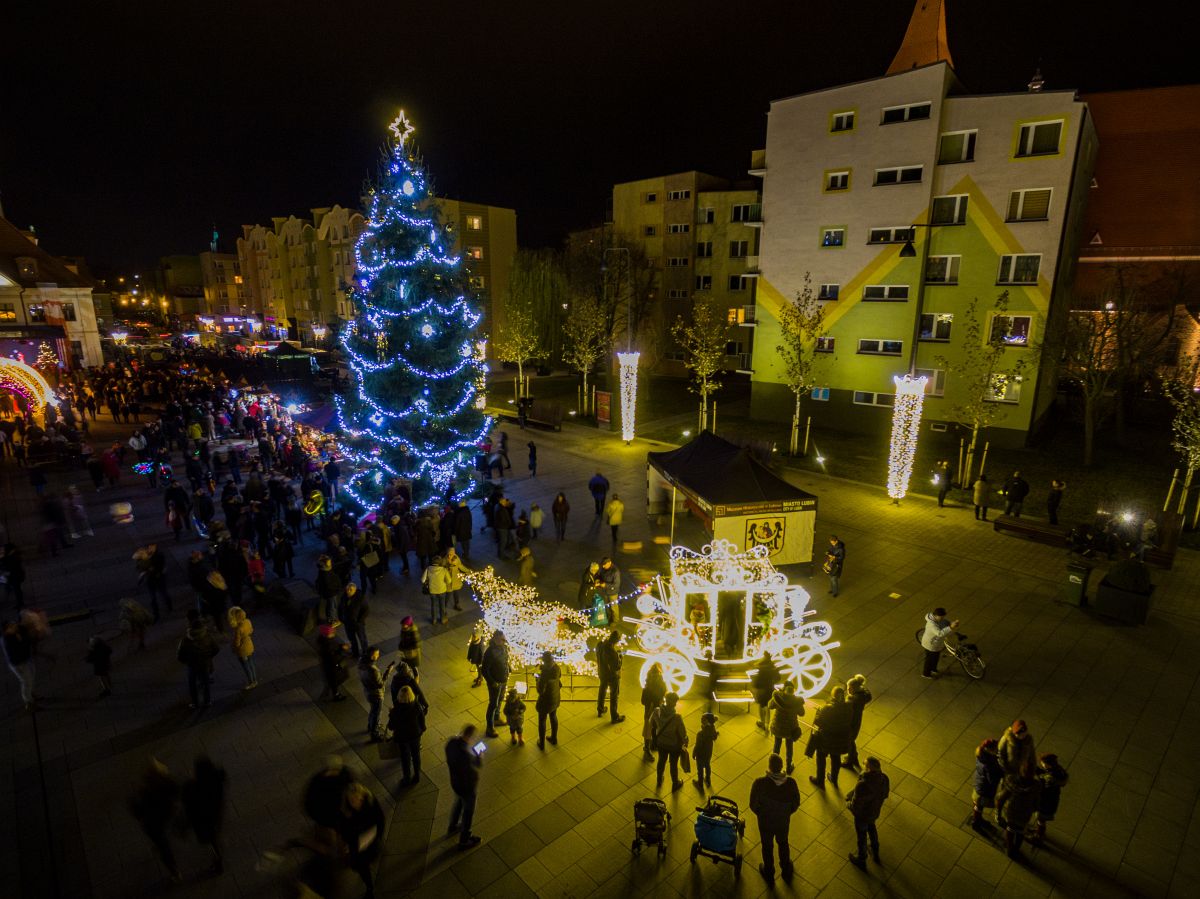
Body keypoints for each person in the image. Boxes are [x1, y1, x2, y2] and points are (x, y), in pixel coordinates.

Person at [748, 753, 800, 884]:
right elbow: (795, 803)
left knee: (767, 846)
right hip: (783, 822)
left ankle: (769, 872)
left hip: (765, 822)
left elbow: (753, 804)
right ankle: (786, 869)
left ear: (769, 767)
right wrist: (786, 813)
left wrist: (761, 813)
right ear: (782, 766)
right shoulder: (791, 783)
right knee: (783, 843)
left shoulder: (759, 783)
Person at [129, 759, 181, 883]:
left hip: (154, 824)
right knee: (163, 841)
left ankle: (175, 872)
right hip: (167, 815)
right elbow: (177, 792)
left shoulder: (147, 793)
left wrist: (133, 804)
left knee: (164, 847)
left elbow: (139, 813)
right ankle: (174, 870)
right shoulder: (170, 782)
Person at [338, 782, 386, 897]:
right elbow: (343, 829)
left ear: (362, 795)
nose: (355, 803)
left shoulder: (370, 802)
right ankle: (368, 884)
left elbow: (380, 820)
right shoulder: (346, 811)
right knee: (361, 867)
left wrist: (377, 836)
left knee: (366, 862)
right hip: (355, 846)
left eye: (358, 799)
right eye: (352, 800)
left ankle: (369, 885)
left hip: (370, 842)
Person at [182, 755, 227, 875]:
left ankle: (218, 864)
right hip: (215, 816)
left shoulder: (193, 788)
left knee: (211, 840)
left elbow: (190, 806)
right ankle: (217, 854)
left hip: (203, 821)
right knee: (214, 837)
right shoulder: (216, 779)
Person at [845, 757, 890, 869]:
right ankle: (875, 850)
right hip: (874, 812)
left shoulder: (863, 784)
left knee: (861, 835)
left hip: (862, 815)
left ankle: (861, 858)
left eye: (864, 765)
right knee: (872, 827)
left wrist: (848, 804)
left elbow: (856, 806)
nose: (863, 767)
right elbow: (885, 795)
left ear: (868, 769)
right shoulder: (884, 778)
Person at [445, 724, 484, 849]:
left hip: (455, 783)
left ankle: (453, 825)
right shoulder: (466, 755)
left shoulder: (451, 743)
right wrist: (479, 757)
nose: (474, 740)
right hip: (467, 787)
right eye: (474, 737)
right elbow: (474, 768)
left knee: (459, 802)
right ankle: (464, 838)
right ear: (469, 736)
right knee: (468, 812)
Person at [808, 685, 852, 789]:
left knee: (821, 758)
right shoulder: (848, 707)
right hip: (840, 739)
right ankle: (834, 778)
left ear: (833, 695)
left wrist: (819, 712)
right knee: (836, 758)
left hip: (826, 739)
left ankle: (820, 779)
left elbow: (818, 722)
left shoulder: (828, 708)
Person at [996, 719, 1038, 826]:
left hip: (1022, 773)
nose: (1022, 736)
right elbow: (1000, 755)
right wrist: (1006, 770)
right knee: (1004, 793)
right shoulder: (1006, 739)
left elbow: (1032, 754)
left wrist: (1031, 768)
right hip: (1009, 772)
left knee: (1016, 795)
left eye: (1024, 733)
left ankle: (1012, 811)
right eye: (1019, 734)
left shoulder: (1029, 740)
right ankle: (999, 813)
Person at [177, 609, 219, 709]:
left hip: (192, 664)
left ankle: (195, 703)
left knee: (192, 683)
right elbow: (216, 649)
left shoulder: (186, 639)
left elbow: (180, 654)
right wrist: (208, 656)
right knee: (205, 682)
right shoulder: (207, 636)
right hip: (205, 663)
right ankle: (207, 701)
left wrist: (186, 661)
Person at [389, 685, 427, 787]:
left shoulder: (395, 710)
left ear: (399, 696)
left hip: (402, 738)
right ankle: (417, 776)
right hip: (415, 735)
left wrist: (390, 715)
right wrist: (422, 729)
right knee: (416, 755)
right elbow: (422, 721)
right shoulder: (417, 706)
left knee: (405, 757)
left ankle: (406, 778)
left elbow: (391, 726)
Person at [650, 691, 688, 790]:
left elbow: (651, 724)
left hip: (661, 743)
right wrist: (685, 742)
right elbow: (683, 733)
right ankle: (675, 783)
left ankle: (659, 779)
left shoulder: (656, 711)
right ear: (675, 703)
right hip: (674, 745)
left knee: (661, 761)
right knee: (673, 764)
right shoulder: (677, 718)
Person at [768, 680, 805, 773]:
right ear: (793, 690)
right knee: (789, 747)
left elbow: (770, 706)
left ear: (784, 688)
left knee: (777, 745)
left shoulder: (778, 697)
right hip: (791, 729)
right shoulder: (797, 701)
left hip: (778, 727)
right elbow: (802, 713)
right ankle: (789, 767)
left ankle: (774, 766)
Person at [358, 647, 394, 742]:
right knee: (376, 713)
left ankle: (371, 725)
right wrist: (388, 672)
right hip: (376, 694)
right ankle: (374, 733)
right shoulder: (373, 670)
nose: (378, 655)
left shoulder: (362, 662)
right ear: (372, 656)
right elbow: (380, 684)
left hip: (367, 691)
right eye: (377, 654)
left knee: (373, 710)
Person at [1033, 753, 1069, 844]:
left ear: (1047, 764)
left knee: (1041, 820)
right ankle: (1039, 832)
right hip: (1052, 802)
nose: (1041, 764)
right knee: (1041, 820)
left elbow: (1044, 790)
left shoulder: (1050, 779)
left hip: (1046, 804)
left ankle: (1039, 836)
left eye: (1042, 763)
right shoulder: (1057, 770)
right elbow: (1044, 773)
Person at [481, 630, 510, 737]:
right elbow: (484, 670)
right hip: (495, 683)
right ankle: (489, 728)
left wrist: (508, 669)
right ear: (496, 639)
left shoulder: (503, 647)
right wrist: (492, 683)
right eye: (502, 639)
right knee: (493, 704)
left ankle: (497, 718)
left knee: (501, 699)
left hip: (504, 679)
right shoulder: (490, 652)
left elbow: (506, 659)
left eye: (504, 639)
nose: (504, 641)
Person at [3, 618, 36, 708]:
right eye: (12, 626)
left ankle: (30, 694)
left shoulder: (17, 631)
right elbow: (21, 648)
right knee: (26, 682)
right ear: (7, 630)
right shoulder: (8, 640)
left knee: (32, 675)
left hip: (26, 659)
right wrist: (22, 639)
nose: (15, 626)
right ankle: (29, 702)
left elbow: (25, 631)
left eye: (13, 624)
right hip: (19, 663)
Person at [971, 738, 1003, 830]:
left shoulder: (981, 755)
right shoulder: (988, 764)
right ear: (990, 750)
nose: (997, 750)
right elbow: (992, 779)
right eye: (995, 749)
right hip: (984, 788)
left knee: (977, 803)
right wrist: (1001, 774)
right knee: (979, 804)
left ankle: (977, 819)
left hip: (979, 783)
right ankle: (976, 822)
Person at [919, 607, 958, 678]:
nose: (943, 618)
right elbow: (940, 633)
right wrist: (950, 628)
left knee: (935, 657)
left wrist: (950, 623)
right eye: (941, 617)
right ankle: (926, 674)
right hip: (930, 644)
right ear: (936, 616)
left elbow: (945, 622)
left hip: (936, 644)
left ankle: (933, 669)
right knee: (929, 660)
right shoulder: (931, 625)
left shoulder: (937, 619)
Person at [844, 674, 872, 770]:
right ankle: (853, 758)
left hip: (850, 723)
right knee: (851, 740)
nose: (848, 690)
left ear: (853, 688)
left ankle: (850, 762)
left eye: (849, 688)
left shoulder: (852, 700)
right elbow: (867, 693)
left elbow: (846, 711)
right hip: (857, 721)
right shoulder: (863, 695)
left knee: (849, 741)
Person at [316, 622, 350, 701]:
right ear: (327, 634)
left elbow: (335, 648)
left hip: (331, 666)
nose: (334, 632)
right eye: (332, 632)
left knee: (340, 678)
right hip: (333, 667)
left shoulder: (326, 640)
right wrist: (342, 649)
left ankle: (330, 688)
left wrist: (341, 647)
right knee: (337, 679)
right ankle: (335, 694)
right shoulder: (327, 645)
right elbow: (332, 656)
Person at [535, 651, 561, 750]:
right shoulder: (556, 668)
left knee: (542, 720)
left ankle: (541, 743)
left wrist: (537, 680)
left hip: (545, 701)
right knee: (553, 716)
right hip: (555, 696)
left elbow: (540, 690)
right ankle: (554, 738)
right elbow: (557, 677)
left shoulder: (544, 675)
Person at [641, 661, 667, 760]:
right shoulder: (662, 684)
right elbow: (664, 695)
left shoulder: (647, 687)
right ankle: (652, 745)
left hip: (649, 712)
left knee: (648, 730)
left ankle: (647, 747)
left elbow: (643, 701)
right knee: (655, 728)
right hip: (657, 711)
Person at [227, 606, 258, 690]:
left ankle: (251, 682)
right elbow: (251, 630)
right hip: (249, 645)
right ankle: (255, 679)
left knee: (246, 666)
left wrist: (233, 648)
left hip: (242, 650)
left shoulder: (238, 629)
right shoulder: (248, 621)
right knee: (251, 663)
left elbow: (237, 643)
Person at [752, 652, 780, 731]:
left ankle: (762, 722)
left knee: (761, 706)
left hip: (762, 690)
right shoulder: (773, 667)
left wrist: (755, 686)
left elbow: (757, 680)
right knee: (768, 707)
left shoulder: (761, 668)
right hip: (770, 689)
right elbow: (778, 678)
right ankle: (767, 725)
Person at [342, 583, 369, 658]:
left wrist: (360, 620)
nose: (348, 591)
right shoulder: (344, 596)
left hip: (357, 624)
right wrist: (341, 617)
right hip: (347, 623)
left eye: (351, 590)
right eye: (347, 589)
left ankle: (365, 653)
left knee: (362, 639)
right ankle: (355, 653)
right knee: (352, 639)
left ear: (355, 590)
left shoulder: (360, 598)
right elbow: (340, 607)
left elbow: (366, 610)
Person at [692, 712, 718, 789]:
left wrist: (694, 753)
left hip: (701, 754)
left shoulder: (700, 734)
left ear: (706, 721)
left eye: (703, 718)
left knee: (700, 769)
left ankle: (700, 783)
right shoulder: (712, 729)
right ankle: (708, 779)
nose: (701, 719)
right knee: (707, 765)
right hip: (708, 752)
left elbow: (698, 746)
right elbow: (714, 737)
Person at [422, 554, 451, 624]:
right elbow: (449, 580)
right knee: (442, 605)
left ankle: (434, 619)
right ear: (440, 562)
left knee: (433, 605)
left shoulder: (428, 569)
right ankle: (443, 619)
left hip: (432, 591)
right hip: (442, 590)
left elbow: (423, 580)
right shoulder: (443, 570)